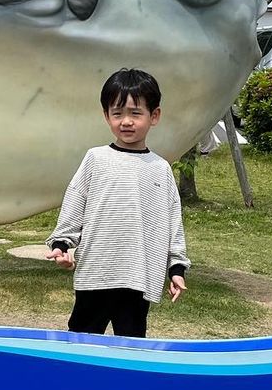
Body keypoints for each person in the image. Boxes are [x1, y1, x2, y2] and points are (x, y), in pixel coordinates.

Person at [44, 67, 187, 337]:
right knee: (81, 344)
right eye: (117, 113)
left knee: (131, 350)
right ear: (106, 116)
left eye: (136, 113)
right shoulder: (95, 159)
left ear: (154, 116)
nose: (126, 121)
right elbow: (75, 202)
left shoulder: (160, 168)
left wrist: (176, 268)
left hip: (139, 277)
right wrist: (62, 244)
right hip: (94, 274)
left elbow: (172, 222)